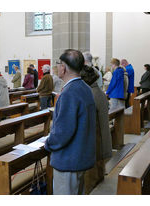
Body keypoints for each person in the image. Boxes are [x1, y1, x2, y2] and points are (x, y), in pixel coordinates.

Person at [45, 49, 96, 195]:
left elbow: (63, 132)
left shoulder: (69, 93)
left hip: (68, 161)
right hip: (81, 156)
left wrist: (49, 143)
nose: (57, 66)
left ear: (64, 67)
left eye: (58, 63)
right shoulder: (85, 88)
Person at [80, 65, 112, 194]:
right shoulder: (97, 91)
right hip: (100, 138)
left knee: (91, 179)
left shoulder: (91, 94)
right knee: (97, 172)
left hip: (95, 141)